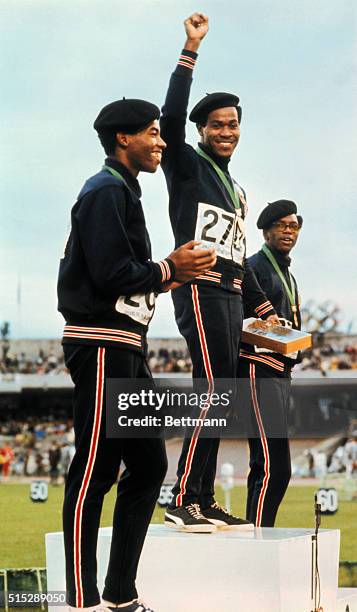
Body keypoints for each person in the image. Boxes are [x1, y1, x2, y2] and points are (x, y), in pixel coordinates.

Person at [57, 98, 216, 612]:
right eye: (153, 132)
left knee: (149, 465)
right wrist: (170, 269)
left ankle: (120, 594)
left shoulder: (122, 190)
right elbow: (112, 274)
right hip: (102, 343)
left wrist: (169, 272)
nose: (162, 142)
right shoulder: (104, 191)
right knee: (94, 471)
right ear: (123, 138)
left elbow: (125, 274)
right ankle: (83, 601)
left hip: (128, 347)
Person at [160, 13, 279, 533]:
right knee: (212, 390)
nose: (226, 132)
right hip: (200, 291)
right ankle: (182, 494)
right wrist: (190, 49)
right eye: (217, 125)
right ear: (202, 130)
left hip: (230, 294)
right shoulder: (186, 165)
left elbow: (238, 250)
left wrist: (263, 305)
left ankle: (203, 497)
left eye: (233, 125)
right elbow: (168, 120)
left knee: (223, 398)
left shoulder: (235, 189)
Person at [239, 199, 303, 526]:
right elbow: (243, 320)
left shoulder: (287, 275)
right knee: (274, 467)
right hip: (258, 369)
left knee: (265, 466)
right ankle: (259, 538)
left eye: (294, 226)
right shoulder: (254, 266)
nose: (289, 231)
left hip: (280, 373)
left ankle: (257, 533)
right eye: (282, 226)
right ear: (265, 232)